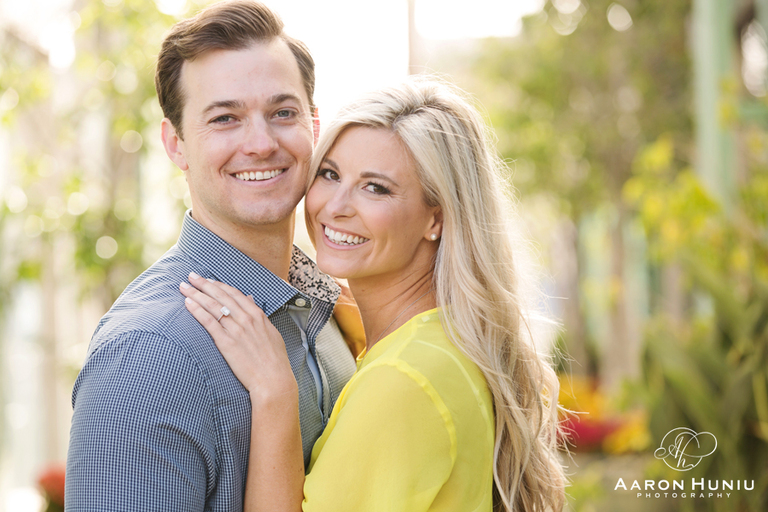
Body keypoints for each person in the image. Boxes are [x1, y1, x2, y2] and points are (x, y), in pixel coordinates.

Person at [181, 78, 567, 511]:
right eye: (330, 174)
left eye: (375, 188)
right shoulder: (438, 343)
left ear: (435, 219)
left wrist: (274, 392)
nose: (335, 206)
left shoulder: (403, 380)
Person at [64, 2, 360, 510]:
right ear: (175, 144)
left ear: (313, 125)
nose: (261, 143)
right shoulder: (147, 359)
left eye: (282, 113)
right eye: (225, 118)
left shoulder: (326, 311)